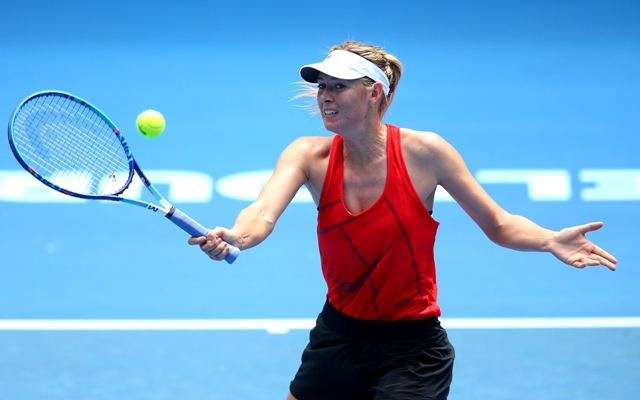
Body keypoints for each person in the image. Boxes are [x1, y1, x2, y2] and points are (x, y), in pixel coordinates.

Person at [188, 40, 618, 400]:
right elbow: (261, 213)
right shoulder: (307, 155)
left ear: (374, 91)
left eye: (339, 86)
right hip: (337, 334)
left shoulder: (425, 153)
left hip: (411, 348)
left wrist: (549, 240)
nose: (325, 96)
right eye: (322, 87)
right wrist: (237, 236)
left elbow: (499, 223)